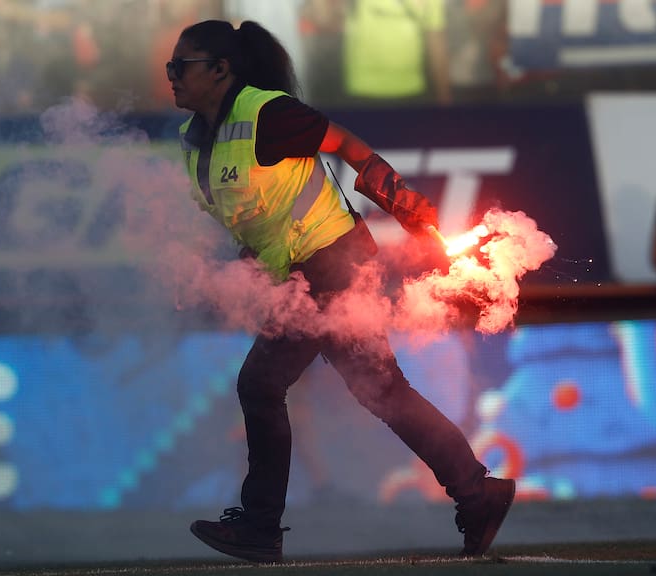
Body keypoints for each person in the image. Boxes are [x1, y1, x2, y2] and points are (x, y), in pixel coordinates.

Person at [167, 19, 514, 563]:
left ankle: (260, 526)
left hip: (331, 265)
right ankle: (478, 492)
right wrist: (251, 263)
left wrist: (397, 199)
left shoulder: (267, 112)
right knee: (382, 391)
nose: (171, 76)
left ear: (219, 69)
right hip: (307, 270)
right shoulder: (193, 142)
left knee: (261, 384)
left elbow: (345, 143)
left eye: (181, 66)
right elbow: (257, 214)